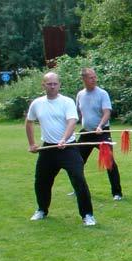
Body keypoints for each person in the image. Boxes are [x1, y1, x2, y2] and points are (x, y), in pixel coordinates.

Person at [25, 72, 96, 226]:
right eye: (49, 84)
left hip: (68, 148)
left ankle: (87, 215)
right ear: (43, 85)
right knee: (41, 181)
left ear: (59, 85)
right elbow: (29, 122)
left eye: (55, 83)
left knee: (79, 180)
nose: (52, 86)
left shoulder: (67, 102)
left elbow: (72, 121)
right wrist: (32, 143)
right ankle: (42, 209)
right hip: (48, 149)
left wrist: (64, 138)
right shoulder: (37, 103)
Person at [76, 68, 123, 201]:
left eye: (95, 77)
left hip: (102, 132)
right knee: (77, 162)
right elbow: (78, 113)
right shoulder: (80, 95)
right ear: (84, 79)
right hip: (86, 133)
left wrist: (100, 126)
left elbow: (107, 112)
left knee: (109, 162)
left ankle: (117, 192)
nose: (94, 79)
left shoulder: (102, 94)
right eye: (91, 77)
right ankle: (78, 188)